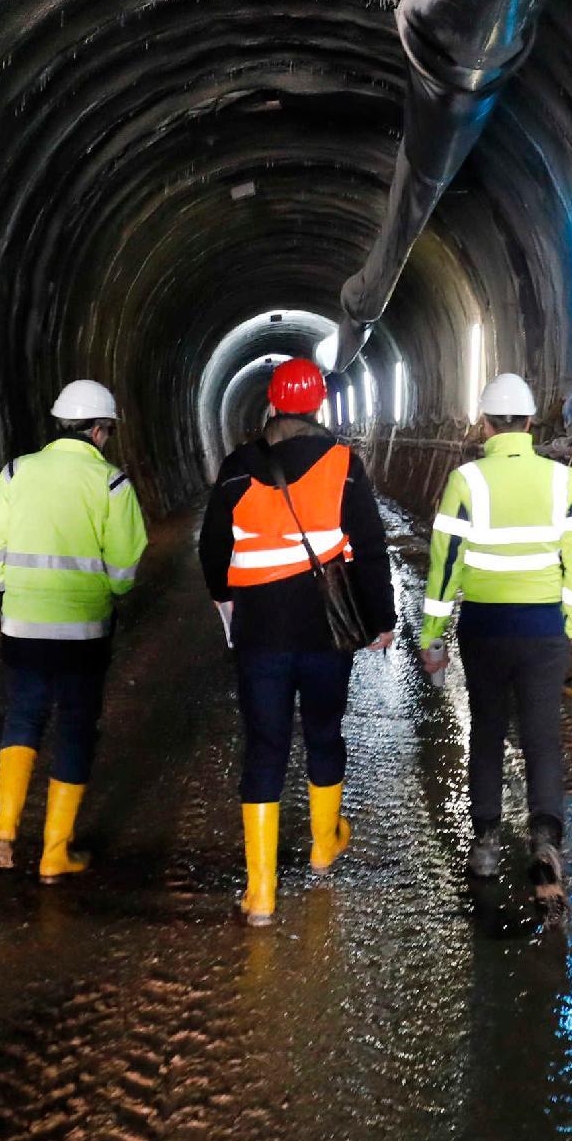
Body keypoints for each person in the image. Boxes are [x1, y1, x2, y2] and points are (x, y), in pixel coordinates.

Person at [199, 357, 396, 927]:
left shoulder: (238, 466)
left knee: (264, 745)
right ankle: (321, 847)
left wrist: (224, 597)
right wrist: (381, 619)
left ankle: (260, 892)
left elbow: (213, 546)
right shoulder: (342, 464)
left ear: (272, 403)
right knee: (324, 732)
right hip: (325, 629)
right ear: (318, 406)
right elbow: (371, 546)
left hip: (260, 632)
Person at [418, 373, 572, 901]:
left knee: (489, 732)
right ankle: (545, 842)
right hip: (544, 628)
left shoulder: (466, 481)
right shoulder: (562, 480)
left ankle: (488, 843)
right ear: (530, 423)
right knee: (542, 736)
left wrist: (432, 635)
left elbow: (444, 563)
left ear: (487, 425)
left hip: (486, 628)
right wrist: (569, 625)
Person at [0, 379, 148, 881]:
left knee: (23, 719)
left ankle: (3, 834)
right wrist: (106, 590)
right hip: (84, 633)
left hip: (22, 626)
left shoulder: (15, 472)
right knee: (74, 727)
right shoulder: (112, 484)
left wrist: (9, 583)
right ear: (99, 430)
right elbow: (124, 565)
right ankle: (54, 853)